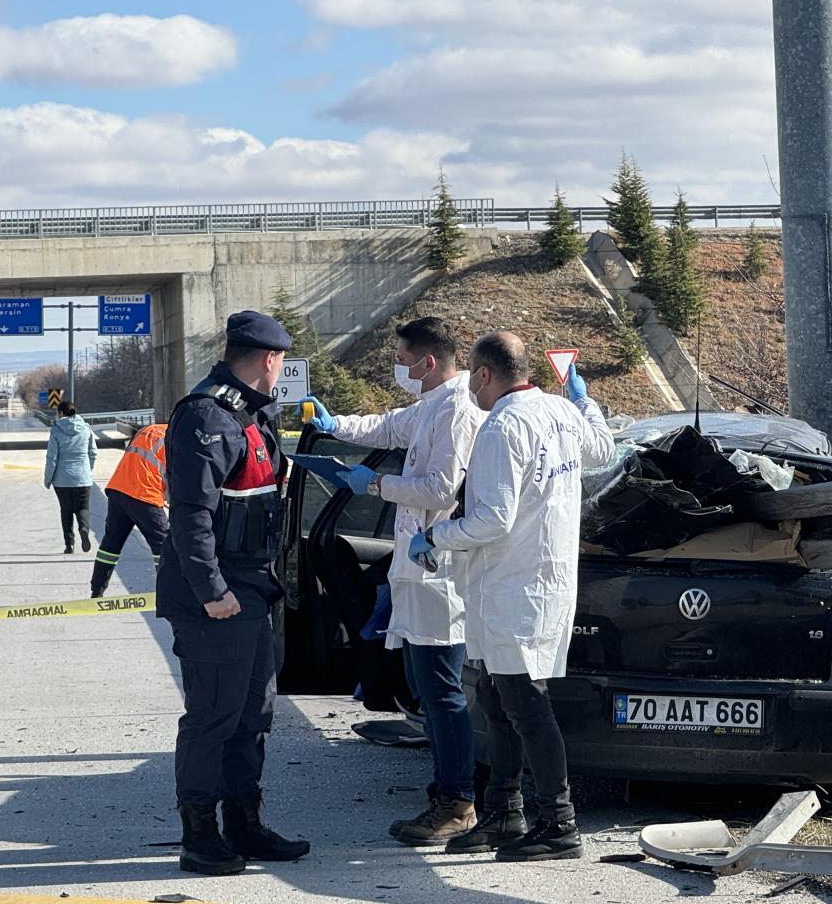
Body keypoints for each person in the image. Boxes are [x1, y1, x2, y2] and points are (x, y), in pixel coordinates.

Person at [410, 332, 614, 862]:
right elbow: (603, 447)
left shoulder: (502, 427)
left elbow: (491, 520)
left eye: (472, 377)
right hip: (536, 582)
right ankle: (504, 812)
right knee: (500, 701)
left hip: (513, 587)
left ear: (483, 374)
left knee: (525, 705)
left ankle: (558, 822)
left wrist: (434, 536)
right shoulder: (559, 413)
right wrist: (584, 400)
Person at [300, 316, 486, 847]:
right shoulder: (431, 405)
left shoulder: (456, 410)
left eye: (403, 360)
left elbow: (439, 489)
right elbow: (386, 428)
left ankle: (458, 802)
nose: (399, 369)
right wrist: (335, 425)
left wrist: (375, 484)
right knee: (427, 688)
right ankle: (446, 791)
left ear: (430, 362)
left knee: (441, 691)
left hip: (440, 571)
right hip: (418, 568)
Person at [156, 310, 309, 876]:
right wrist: (213, 591)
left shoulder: (251, 415)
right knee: (213, 718)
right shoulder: (207, 415)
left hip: (253, 589)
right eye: (283, 361)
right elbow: (192, 517)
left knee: (253, 716)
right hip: (217, 598)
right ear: (270, 360)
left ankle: (244, 824)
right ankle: (200, 836)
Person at [89, 422, 169, 598]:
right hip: (144, 495)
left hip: (119, 489)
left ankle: (97, 590)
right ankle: (168, 592)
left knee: (111, 544)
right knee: (164, 545)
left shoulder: (147, 430)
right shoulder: (178, 439)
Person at [44, 400, 97, 554]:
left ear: (61, 413)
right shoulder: (86, 428)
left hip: (62, 479)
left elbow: (51, 458)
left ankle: (69, 545)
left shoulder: (56, 430)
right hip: (83, 477)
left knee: (66, 510)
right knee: (83, 508)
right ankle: (84, 528)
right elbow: (93, 452)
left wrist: (48, 478)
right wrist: (87, 470)